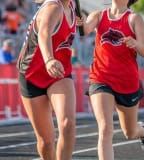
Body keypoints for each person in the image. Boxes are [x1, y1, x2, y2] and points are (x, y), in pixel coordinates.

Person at [83, 0, 144, 159]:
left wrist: (135, 43)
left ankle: (142, 130)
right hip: (100, 77)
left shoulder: (134, 19)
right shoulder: (98, 16)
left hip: (127, 81)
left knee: (130, 132)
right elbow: (84, 29)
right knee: (105, 128)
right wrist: (79, 21)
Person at [16, 0, 82, 159]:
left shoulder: (72, 6)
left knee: (68, 124)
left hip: (59, 73)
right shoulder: (53, 7)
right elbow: (44, 33)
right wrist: (49, 59)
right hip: (32, 75)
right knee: (46, 141)